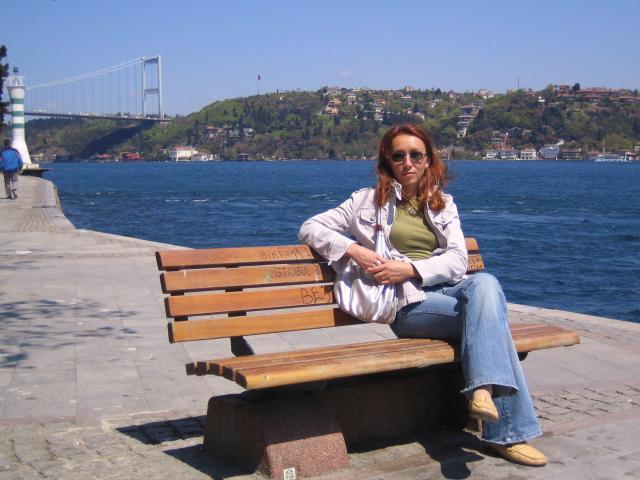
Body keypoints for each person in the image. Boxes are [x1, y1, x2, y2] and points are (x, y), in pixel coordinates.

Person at [299, 123, 547, 467]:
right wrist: (354, 250)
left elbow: (459, 261)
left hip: (443, 287)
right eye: (398, 155)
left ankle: (482, 391)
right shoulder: (364, 201)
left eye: (416, 155)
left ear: (429, 159)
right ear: (387, 161)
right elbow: (310, 227)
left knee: (486, 283)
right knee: (492, 325)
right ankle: (506, 431)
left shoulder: (443, 203)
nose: (408, 163)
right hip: (405, 302)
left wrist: (411, 268)